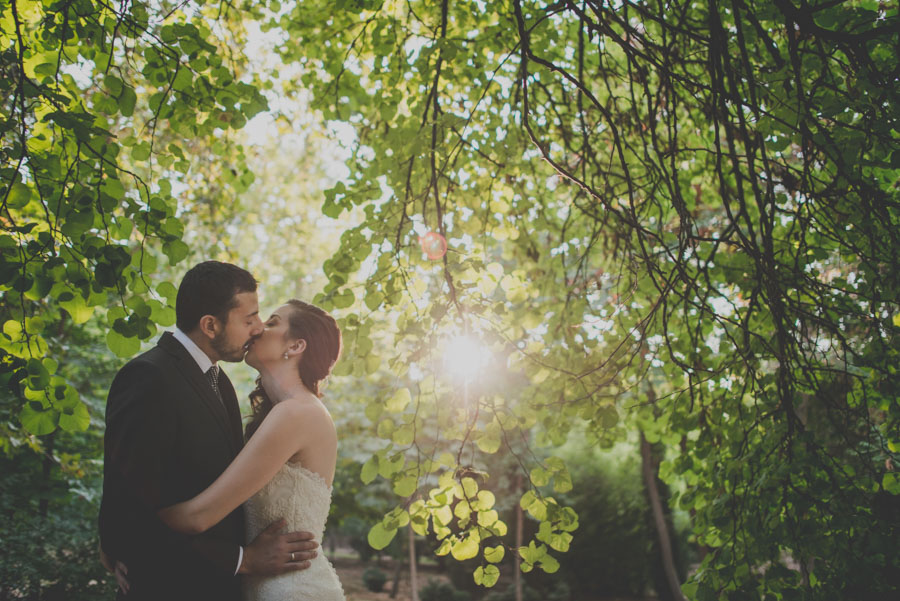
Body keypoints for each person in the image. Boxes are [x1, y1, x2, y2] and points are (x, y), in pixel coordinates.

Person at [99, 261, 318, 600]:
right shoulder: (148, 378)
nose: (258, 329)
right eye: (249, 319)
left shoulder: (222, 384)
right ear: (210, 325)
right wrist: (244, 560)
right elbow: (128, 506)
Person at [157, 299, 345, 601]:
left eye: (272, 322)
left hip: (290, 591)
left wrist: (126, 534)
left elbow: (199, 516)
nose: (258, 328)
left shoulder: (296, 414)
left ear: (296, 346)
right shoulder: (290, 412)